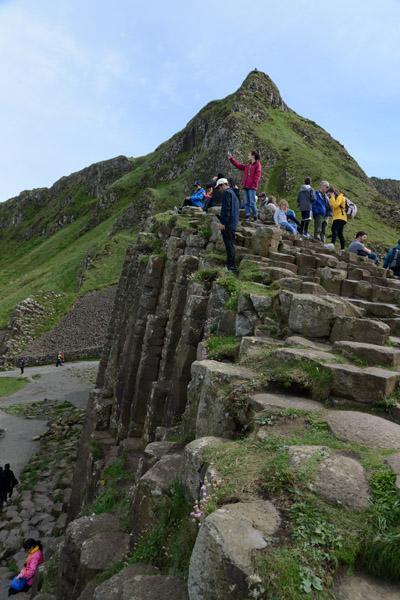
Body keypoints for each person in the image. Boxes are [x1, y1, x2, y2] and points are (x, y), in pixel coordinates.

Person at [228, 150, 262, 221]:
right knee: (246, 202)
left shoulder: (257, 165)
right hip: (245, 186)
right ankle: (248, 215)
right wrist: (231, 159)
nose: (248, 156)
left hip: (252, 187)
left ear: (253, 156)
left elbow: (257, 176)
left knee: (252, 202)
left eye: (249, 155)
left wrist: (254, 185)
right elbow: (238, 165)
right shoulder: (247, 166)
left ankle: (255, 216)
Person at [217, 178, 240, 273]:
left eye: (219, 188)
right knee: (230, 245)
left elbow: (226, 209)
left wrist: (223, 223)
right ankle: (231, 266)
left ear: (223, 185)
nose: (219, 190)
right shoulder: (233, 193)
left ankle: (231, 266)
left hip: (228, 224)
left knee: (229, 245)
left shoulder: (227, 193)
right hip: (233, 223)